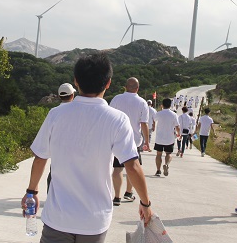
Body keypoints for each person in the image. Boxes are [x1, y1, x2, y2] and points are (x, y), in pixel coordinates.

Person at [22, 53, 152, 242]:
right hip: (94, 220)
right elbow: (132, 166)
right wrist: (145, 203)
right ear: (108, 83)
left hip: (58, 217)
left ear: (76, 81)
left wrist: (31, 192)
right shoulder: (117, 119)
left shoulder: (56, 114)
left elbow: (40, 157)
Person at [110, 77, 149, 206]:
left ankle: (116, 197)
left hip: (117, 139)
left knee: (117, 168)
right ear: (137, 88)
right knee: (132, 167)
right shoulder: (142, 102)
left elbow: (109, 116)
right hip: (134, 140)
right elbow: (144, 124)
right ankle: (128, 192)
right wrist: (147, 141)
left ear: (125, 87)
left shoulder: (116, 99)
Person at [46, 83, 76, 192]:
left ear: (59, 96)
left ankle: (51, 197)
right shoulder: (78, 111)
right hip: (75, 153)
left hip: (58, 153)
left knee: (53, 175)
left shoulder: (53, 112)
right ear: (72, 95)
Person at [153, 98, 180, 177]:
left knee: (158, 154)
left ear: (162, 105)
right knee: (168, 154)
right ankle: (166, 164)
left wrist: (154, 126)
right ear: (170, 105)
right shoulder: (174, 114)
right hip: (169, 138)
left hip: (159, 138)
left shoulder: (159, 113)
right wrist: (179, 134)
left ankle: (158, 170)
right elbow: (177, 126)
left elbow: (154, 119)